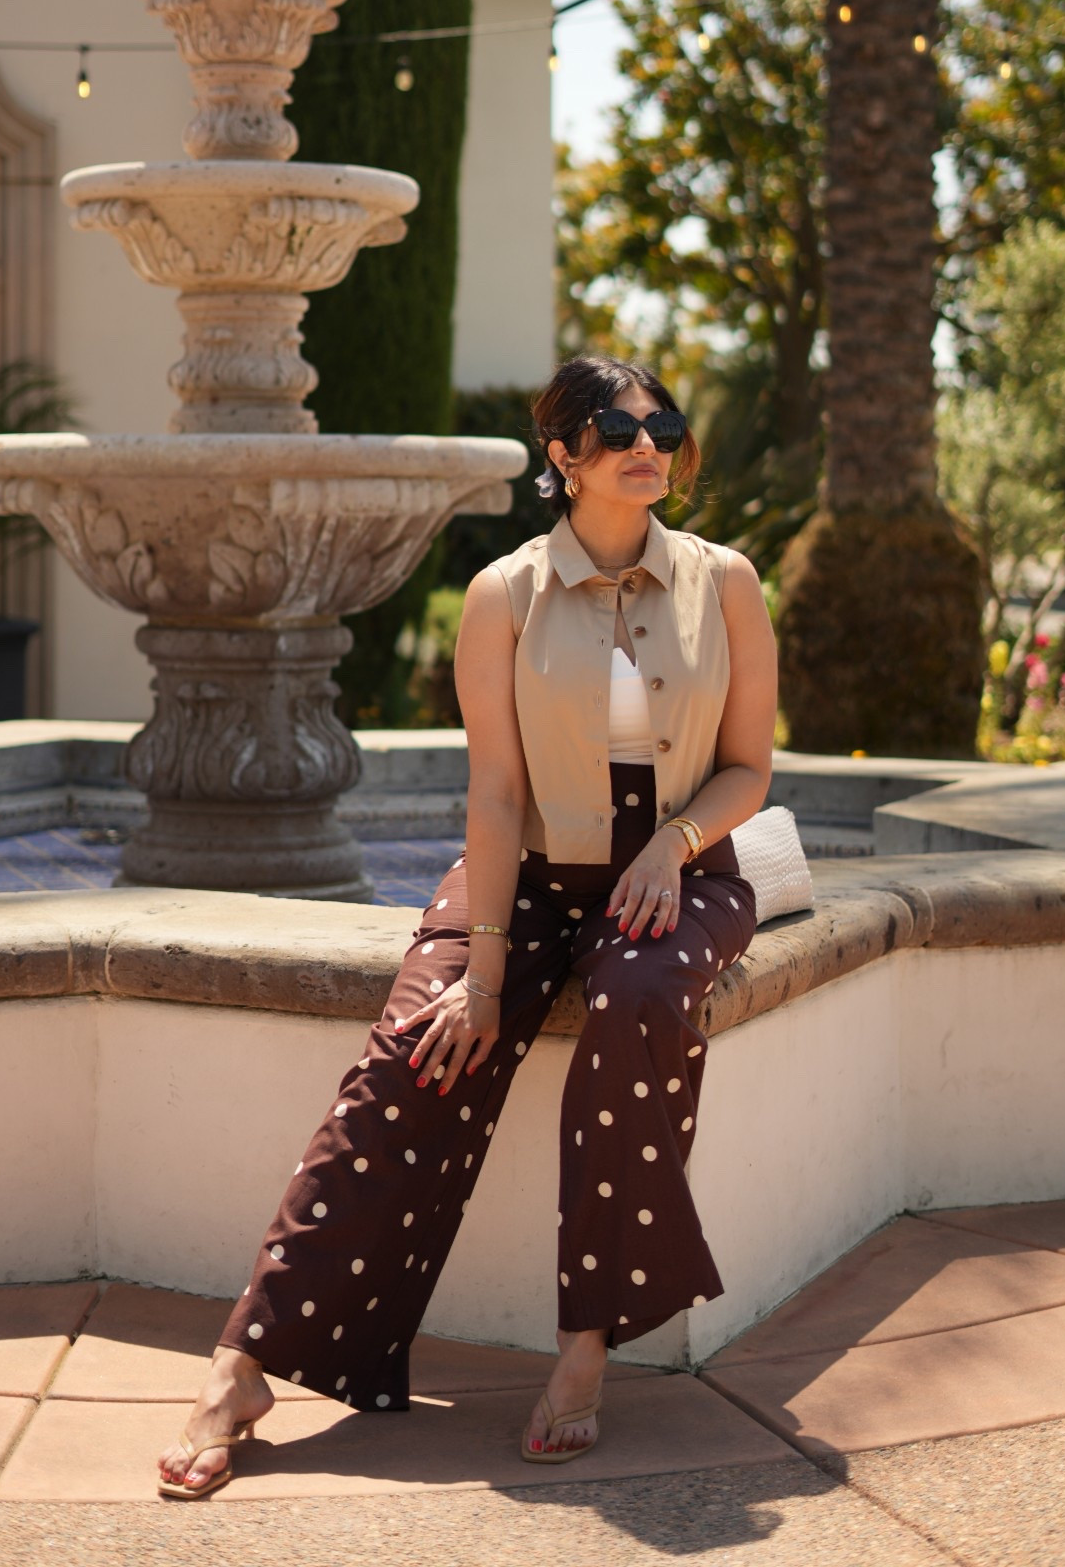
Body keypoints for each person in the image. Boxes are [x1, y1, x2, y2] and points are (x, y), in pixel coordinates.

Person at [157, 354, 777, 1497]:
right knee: (416, 1049)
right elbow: (495, 793)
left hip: (681, 866)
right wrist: (484, 970)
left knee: (638, 998)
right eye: (613, 426)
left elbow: (748, 769)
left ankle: (585, 1346)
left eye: (661, 424)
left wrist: (670, 845)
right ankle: (247, 1357)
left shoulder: (726, 580)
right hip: (528, 866)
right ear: (562, 453)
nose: (646, 443)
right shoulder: (503, 594)